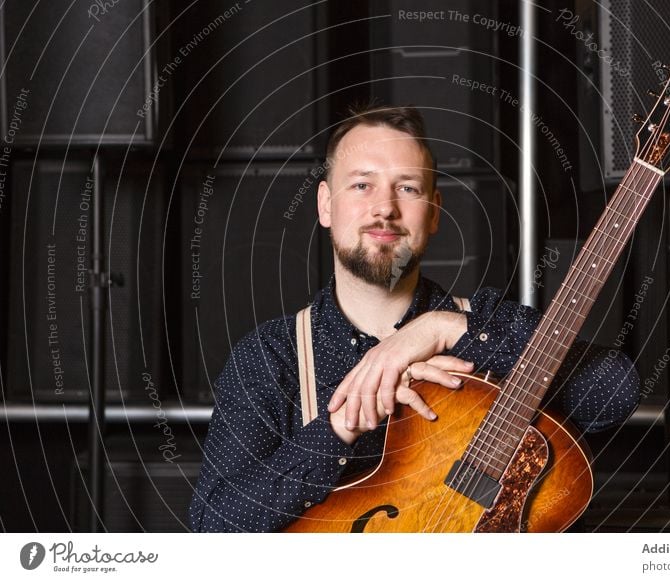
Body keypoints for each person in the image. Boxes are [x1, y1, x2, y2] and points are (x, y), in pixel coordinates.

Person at [188, 104, 640, 532]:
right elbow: (212, 526)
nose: (385, 207)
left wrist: (445, 329)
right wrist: (339, 428)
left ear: (435, 210)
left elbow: (614, 391)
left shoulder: (481, 322)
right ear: (326, 204)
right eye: (362, 185)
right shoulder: (272, 357)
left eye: (407, 187)